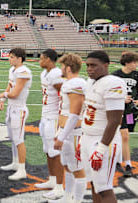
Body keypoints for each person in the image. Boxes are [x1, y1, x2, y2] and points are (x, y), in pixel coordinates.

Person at [79, 51, 126, 203]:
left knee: (104, 188)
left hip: (104, 140)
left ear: (106, 65)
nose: (89, 69)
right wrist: (82, 138)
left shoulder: (113, 83)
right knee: (94, 183)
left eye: (94, 65)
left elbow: (114, 121)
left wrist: (101, 149)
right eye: (87, 65)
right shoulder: (90, 81)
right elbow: (87, 111)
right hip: (88, 137)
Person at [51, 54, 87, 203]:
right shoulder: (70, 82)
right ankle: (67, 198)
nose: (61, 69)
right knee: (67, 166)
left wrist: (62, 136)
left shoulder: (76, 84)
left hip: (74, 133)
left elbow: (74, 114)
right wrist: (59, 132)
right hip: (67, 131)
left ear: (69, 68)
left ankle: (76, 201)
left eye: (62, 66)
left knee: (78, 170)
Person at [35, 49, 65, 200]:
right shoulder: (44, 73)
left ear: (48, 59)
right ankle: (52, 180)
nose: (39, 61)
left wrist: (62, 117)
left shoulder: (55, 74)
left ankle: (60, 187)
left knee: (55, 152)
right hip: (45, 115)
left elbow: (64, 95)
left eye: (41, 59)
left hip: (54, 117)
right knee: (47, 150)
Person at [0, 48, 32, 181]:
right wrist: (3, 99)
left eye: (12, 57)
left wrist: (4, 95)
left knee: (19, 139)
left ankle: (22, 169)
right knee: (12, 137)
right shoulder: (13, 70)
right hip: (11, 107)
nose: (9, 59)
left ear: (19, 58)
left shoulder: (24, 71)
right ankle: (15, 162)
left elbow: (15, 93)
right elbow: (10, 86)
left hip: (19, 109)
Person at [111, 52, 138, 177]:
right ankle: (127, 164)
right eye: (135, 62)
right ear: (128, 62)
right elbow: (107, 93)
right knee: (123, 135)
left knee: (125, 136)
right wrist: (121, 99)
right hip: (117, 109)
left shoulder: (137, 75)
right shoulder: (115, 75)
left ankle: (117, 159)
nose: (136, 64)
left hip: (130, 111)